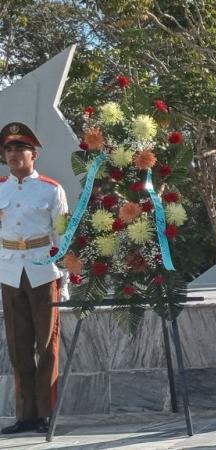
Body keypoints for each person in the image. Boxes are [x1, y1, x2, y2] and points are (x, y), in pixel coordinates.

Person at [0, 122, 69, 434]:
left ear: (34, 154)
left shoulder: (52, 189)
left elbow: (61, 235)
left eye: (20, 148)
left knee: (47, 345)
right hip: (10, 271)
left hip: (43, 270)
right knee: (18, 345)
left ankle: (45, 413)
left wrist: (64, 278)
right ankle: (25, 415)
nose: (14, 154)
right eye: (9, 149)